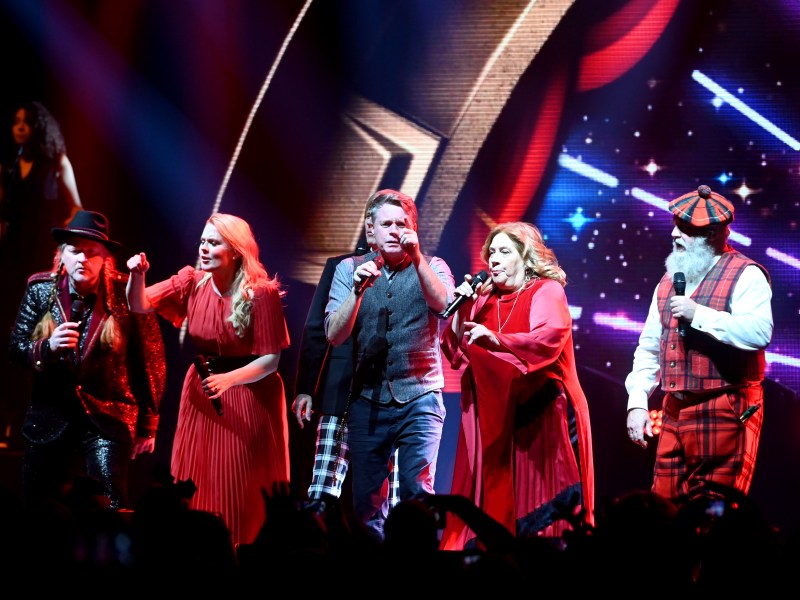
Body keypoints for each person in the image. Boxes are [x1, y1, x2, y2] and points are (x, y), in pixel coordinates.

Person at [126, 212, 291, 548]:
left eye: (213, 243)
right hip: (202, 392)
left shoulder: (261, 293)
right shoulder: (193, 281)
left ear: (235, 252)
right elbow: (139, 304)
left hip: (249, 396)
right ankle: (197, 550)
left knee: (239, 481)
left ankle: (241, 552)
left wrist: (229, 380)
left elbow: (271, 360)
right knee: (198, 477)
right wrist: (136, 276)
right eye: (202, 241)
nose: (204, 248)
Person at [438, 221, 595, 549]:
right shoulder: (483, 298)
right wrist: (462, 308)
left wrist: (497, 340)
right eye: (491, 252)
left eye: (504, 252)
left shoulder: (546, 290)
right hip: (490, 417)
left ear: (526, 258)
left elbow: (548, 337)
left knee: (535, 509)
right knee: (489, 506)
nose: (493, 259)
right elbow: (455, 352)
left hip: (538, 414)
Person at [7, 210, 166, 509]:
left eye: (91, 252)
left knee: (109, 507)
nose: (83, 259)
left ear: (105, 257)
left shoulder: (124, 291)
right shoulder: (40, 289)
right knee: (40, 509)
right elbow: (16, 348)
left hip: (108, 417)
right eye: (75, 250)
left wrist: (149, 422)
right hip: (49, 418)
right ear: (61, 255)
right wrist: (46, 347)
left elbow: (149, 356)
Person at [625, 184, 773, 502]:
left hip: (725, 407)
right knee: (664, 509)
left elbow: (759, 332)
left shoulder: (746, 275)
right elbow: (650, 346)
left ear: (714, 234)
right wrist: (637, 402)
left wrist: (699, 315)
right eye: (675, 226)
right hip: (676, 409)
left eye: (686, 229)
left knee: (713, 510)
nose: (675, 235)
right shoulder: (667, 282)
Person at [325, 188, 455, 541]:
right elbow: (334, 335)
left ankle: (420, 561)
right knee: (366, 501)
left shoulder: (435, 266)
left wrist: (417, 258)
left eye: (403, 224)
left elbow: (444, 306)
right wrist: (357, 291)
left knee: (417, 491)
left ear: (414, 228)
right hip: (368, 400)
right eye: (387, 224)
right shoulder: (348, 269)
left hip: (421, 397)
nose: (395, 231)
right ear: (371, 230)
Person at [291, 217, 398, 510]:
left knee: (392, 492)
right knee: (324, 485)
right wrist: (306, 388)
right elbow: (317, 328)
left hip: (393, 396)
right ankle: (316, 533)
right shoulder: (342, 266)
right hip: (342, 389)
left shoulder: (413, 270)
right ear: (370, 228)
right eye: (383, 223)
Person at [0, 100, 83, 450]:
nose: (19, 127)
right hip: (12, 256)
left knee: (41, 332)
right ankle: (8, 416)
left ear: (39, 126)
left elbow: (76, 207)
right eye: (15, 121)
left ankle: (35, 419)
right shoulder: (8, 165)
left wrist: (62, 244)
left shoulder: (56, 162)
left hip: (42, 255)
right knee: (11, 335)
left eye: (26, 121)